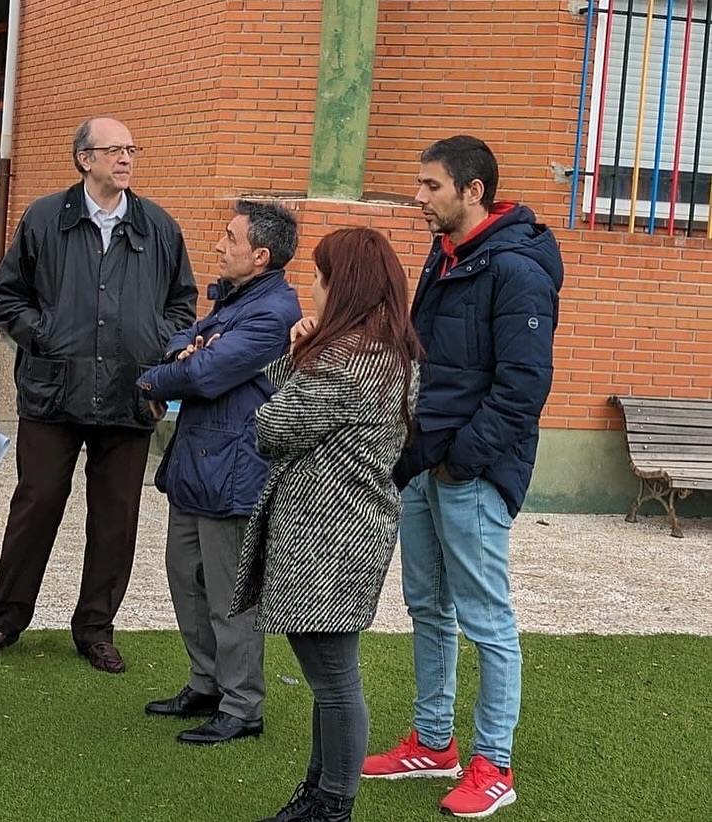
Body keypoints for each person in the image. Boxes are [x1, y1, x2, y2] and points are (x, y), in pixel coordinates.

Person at [362, 136, 563, 819]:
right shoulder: (446, 256)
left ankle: (494, 764)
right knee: (428, 607)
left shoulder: (517, 268)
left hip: (470, 471)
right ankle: (433, 742)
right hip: (424, 462)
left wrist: (462, 459)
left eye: (430, 186)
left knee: (486, 620)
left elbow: (524, 385)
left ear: (472, 191)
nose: (418, 198)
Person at [0, 116, 196, 673]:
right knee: (37, 502)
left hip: (130, 395)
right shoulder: (45, 218)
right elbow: (8, 297)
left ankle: (95, 627)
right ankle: (7, 616)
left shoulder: (159, 227)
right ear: (84, 159)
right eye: (113, 149)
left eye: (131, 149)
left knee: (116, 519)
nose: (125, 158)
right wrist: (45, 337)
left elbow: (182, 305)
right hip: (53, 392)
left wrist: (157, 346)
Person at [231, 227, 422, 822]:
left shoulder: (346, 358)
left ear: (343, 286)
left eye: (317, 277)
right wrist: (302, 353)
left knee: (335, 680)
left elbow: (270, 427)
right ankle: (319, 794)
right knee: (328, 675)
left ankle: (332, 804)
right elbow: (284, 405)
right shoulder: (388, 350)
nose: (310, 289)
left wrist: (300, 357)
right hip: (351, 528)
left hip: (326, 534)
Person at [136, 201, 301, 745]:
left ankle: (242, 705)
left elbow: (206, 374)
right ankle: (205, 683)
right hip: (198, 467)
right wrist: (185, 352)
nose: (218, 245)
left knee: (230, 595)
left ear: (260, 255)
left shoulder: (273, 311)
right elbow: (186, 340)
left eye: (230, 238)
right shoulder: (236, 300)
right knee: (186, 577)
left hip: (233, 471)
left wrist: (155, 381)